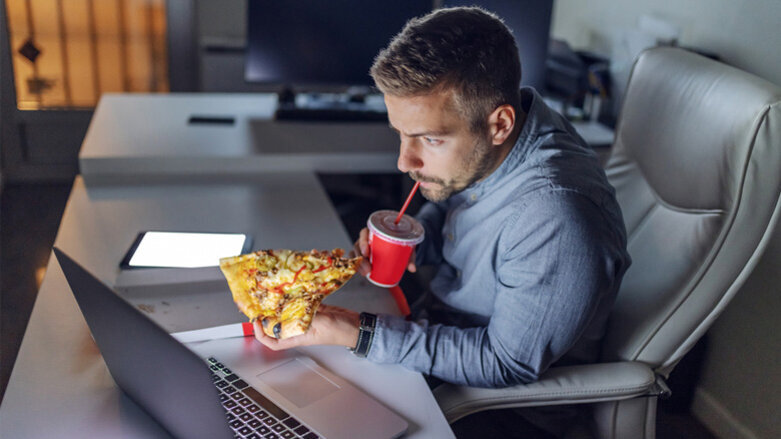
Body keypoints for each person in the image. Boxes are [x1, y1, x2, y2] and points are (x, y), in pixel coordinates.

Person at [254, 6, 630, 437]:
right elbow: (464, 206)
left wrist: (359, 333)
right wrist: (416, 237)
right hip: (438, 328)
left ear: (499, 124)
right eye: (401, 133)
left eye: (430, 139)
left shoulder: (557, 217)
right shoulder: (506, 135)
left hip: (498, 410)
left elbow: (505, 363)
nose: (403, 162)